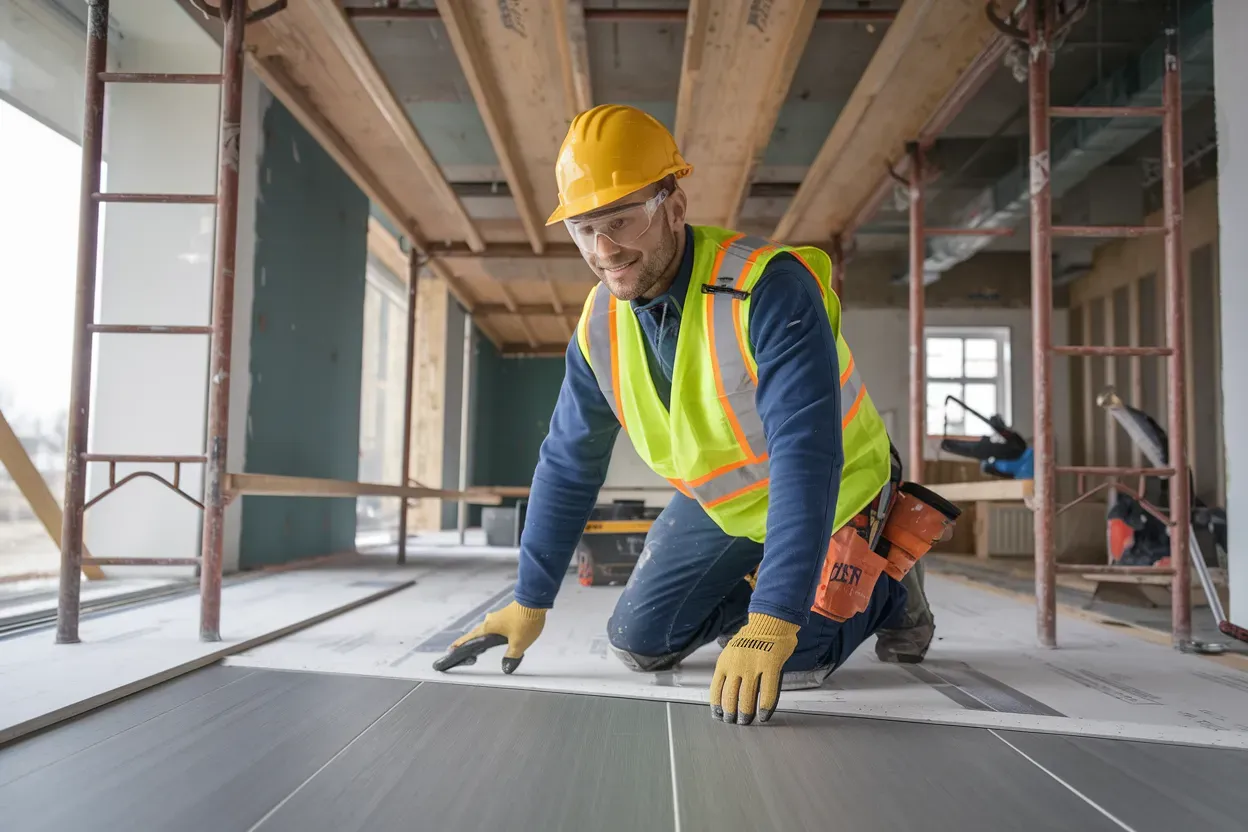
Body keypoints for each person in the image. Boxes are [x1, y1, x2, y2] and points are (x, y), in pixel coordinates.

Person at [434, 104, 952, 726]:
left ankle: (891, 586)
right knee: (639, 643)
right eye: (583, 230)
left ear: (673, 209)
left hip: (836, 490)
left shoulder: (768, 287)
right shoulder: (599, 326)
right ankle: (791, 580)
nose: (604, 251)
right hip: (728, 507)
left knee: (793, 662)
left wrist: (772, 618)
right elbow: (569, 461)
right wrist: (530, 597)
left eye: (622, 221)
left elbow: (804, 454)